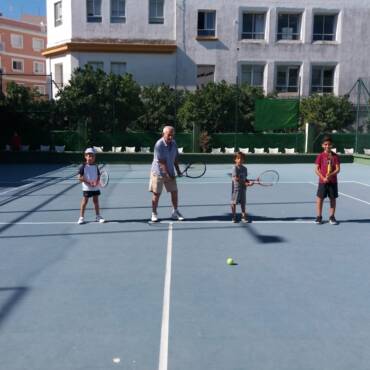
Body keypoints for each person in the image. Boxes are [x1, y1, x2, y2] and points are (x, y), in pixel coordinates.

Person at [149, 126, 184, 222]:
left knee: (174, 192)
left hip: (170, 171)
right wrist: (168, 175)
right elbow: (161, 163)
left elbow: (175, 159)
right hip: (158, 172)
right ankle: (154, 213)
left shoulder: (174, 143)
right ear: (163, 134)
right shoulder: (158, 145)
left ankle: (175, 212)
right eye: (169, 135)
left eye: (172, 135)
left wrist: (178, 171)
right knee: (156, 194)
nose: (171, 137)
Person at [314, 135, 340, 225]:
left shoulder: (335, 156)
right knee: (320, 199)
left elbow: (338, 169)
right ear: (322, 145)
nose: (327, 146)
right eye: (325, 144)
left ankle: (332, 217)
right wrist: (323, 177)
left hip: (333, 182)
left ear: (331, 145)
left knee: (332, 199)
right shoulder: (320, 156)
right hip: (322, 182)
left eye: (329, 144)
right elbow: (316, 170)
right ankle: (319, 216)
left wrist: (330, 175)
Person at [77, 148, 105, 224]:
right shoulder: (83, 167)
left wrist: (97, 182)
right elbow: (79, 178)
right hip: (87, 188)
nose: (90, 157)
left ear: (94, 157)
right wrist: (89, 183)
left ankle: (98, 216)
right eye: (88, 156)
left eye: (92, 156)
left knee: (96, 201)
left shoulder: (96, 166)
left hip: (95, 188)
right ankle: (81, 217)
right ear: (85, 156)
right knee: (84, 202)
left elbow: (98, 176)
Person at [231, 151, 253, 223]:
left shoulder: (245, 169)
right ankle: (234, 216)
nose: (240, 160)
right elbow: (236, 178)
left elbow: (244, 178)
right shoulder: (235, 168)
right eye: (238, 158)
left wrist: (248, 182)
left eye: (242, 159)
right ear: (235, 159)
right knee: (234, 203)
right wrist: (245, 183)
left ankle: (243, 216)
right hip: (236, 189)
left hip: (243, 189)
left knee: (243, 203)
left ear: (244, 160)